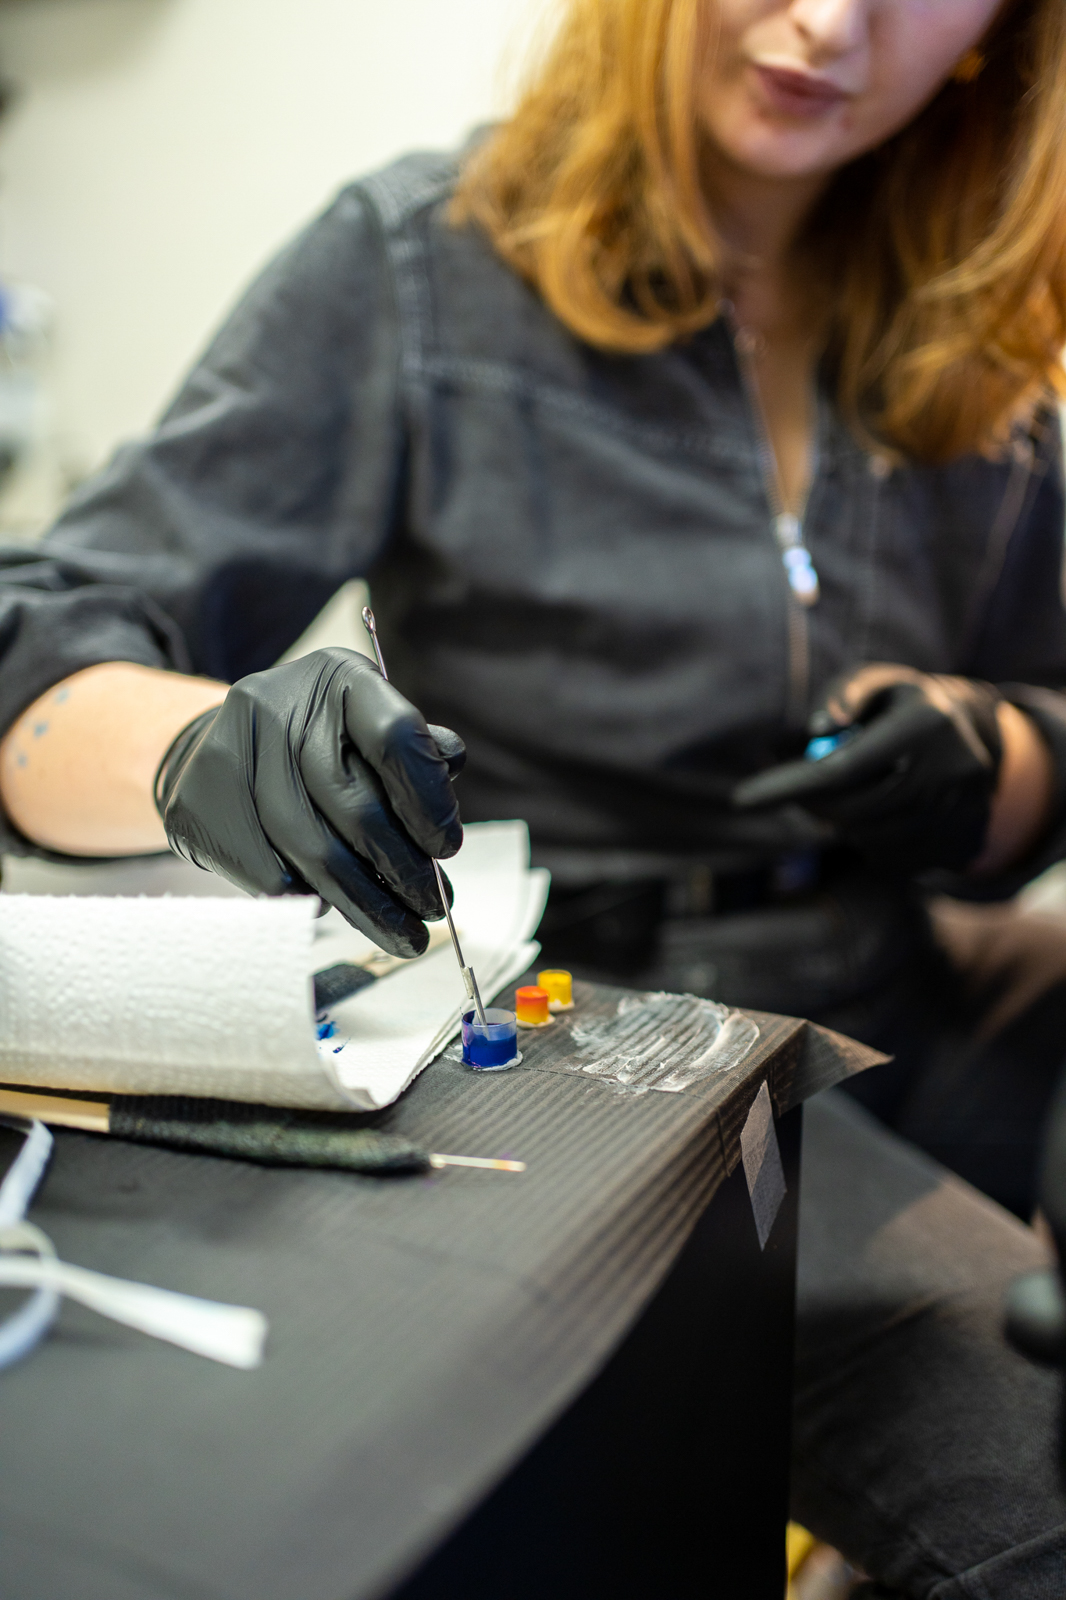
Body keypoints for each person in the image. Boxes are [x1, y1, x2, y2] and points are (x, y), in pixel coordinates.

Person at [0, 0, 1065, 1589]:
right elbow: (43, 647)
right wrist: (192, 748)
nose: (827, 21)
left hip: (906, 976)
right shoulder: (417, 264)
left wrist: (1001, 760)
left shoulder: (988, 332)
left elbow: (1039, 740)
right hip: (616, 1040)